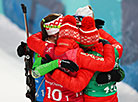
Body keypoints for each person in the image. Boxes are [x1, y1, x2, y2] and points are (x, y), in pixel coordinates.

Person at [27, 14, 116, 102]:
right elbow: (107, 63)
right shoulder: (79, 54)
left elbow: (32, 41)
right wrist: (107, 44)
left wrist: (54, 66)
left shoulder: (44, 48)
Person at [17, 13, 79, 102]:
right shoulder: (42, 48)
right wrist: (58, 63)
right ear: (54, 34)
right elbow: (35, 72)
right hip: (44, 96)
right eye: (63, 29)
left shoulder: (64, 44)